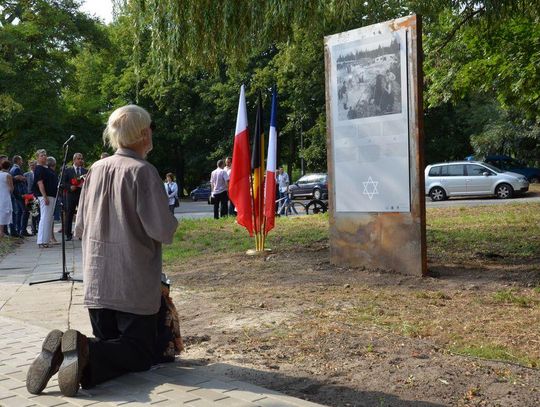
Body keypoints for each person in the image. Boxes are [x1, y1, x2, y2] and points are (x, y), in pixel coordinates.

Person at [26, 104, 178, 397]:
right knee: (139, 355)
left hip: (97, 285)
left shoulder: (95, 169)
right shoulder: (144, 172)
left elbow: (79, 226)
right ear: (144, 134)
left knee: (112, 345)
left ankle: (73, 352)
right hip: (133, 286)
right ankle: (83, 350)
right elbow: (162, 230)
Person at [32, 149, 58, 248]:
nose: (44, 157)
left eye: (45, 155)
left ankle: (46, 240)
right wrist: (44, 196)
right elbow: (40, 183)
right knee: (45, 217)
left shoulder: (46, 168)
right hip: (45, 196)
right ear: (37, 158)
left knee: (49, 218)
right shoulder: (39, 168)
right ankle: (41, 240)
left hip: (52, 195)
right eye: (41, 155)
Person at [62, 153, 87, 241]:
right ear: (74, 160)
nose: (81, 160)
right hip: (71, 195)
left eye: (81, 158)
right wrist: (69, 187)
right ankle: (68, 234)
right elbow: (63, 183)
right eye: (79, 159)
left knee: (82, 214)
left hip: (82, 195)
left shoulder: (85, 171)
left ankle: (81, 234)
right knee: (69, 214)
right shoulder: (68, 170)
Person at [9, 155, 26, 238]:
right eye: (21, 160)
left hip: (15, 193)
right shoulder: (17, 169)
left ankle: (19, 230)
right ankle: (22, 230)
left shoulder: (12, 169)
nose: (22, 162)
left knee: (19, 211)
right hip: (19, 193)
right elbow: (19, 182)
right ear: (18, 160)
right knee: (24, 211)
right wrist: (22, 178)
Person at [21, 160, 37, 236]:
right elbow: (24, 185)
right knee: (27, 212)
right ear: (29, 166)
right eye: (31, 165)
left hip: (36, 195)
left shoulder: (38, 174)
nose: (32, 167)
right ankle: (25, 229)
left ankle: (34, 229)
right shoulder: (26, 175)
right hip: (28, 196)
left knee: (35, 213)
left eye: (34, 165)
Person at [0, 160, 13, 239]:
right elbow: (11, 188)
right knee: (3, 216)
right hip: (5, 197)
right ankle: (1, 233)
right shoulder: (8, 175)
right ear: (9, 167)